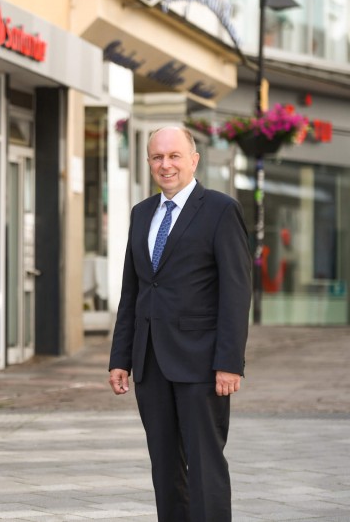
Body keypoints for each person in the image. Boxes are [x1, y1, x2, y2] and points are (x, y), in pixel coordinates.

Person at [108, 127, 251, 522]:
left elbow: (236, 293)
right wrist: (120, 358)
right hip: (151, 363)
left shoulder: (221, 210)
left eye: (174, 156)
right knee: (165, 468)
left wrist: (229, 362)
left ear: (194, 159)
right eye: (157, 157)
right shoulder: (141, 214)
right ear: (149, 162)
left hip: (202, 364)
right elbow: (132, 293)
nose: (165, 164)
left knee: (205, 468)